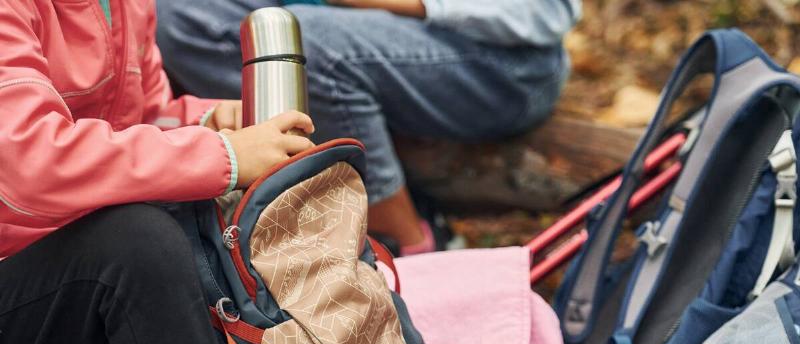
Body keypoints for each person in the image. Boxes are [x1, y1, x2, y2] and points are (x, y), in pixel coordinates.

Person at [0, 1, 318, 344]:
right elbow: (27, 162)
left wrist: (205, 121)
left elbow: (138, 120)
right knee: (138, 243)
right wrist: (224, 153)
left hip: (63, 279)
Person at [156, 0, 581, 255]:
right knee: (181, 14)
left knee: (305, 35)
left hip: (503, 62)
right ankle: (291, 216)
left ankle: (409, 245)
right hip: (346, 29)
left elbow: (548, 11)